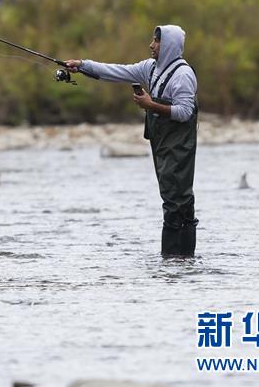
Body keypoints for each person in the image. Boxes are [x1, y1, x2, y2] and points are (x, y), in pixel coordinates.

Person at [64, 25, 199, 257]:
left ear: (168, 45)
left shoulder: (183, 75)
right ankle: (181, 262)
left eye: (156, 41)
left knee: (177, 201)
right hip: (162, 144)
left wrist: (150, 106)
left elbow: (185, 112)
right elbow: (118, 71)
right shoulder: (151, 68)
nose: (151, 45)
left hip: (179, 146)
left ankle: (174, 260)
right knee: (175, 200)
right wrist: (83, 66)